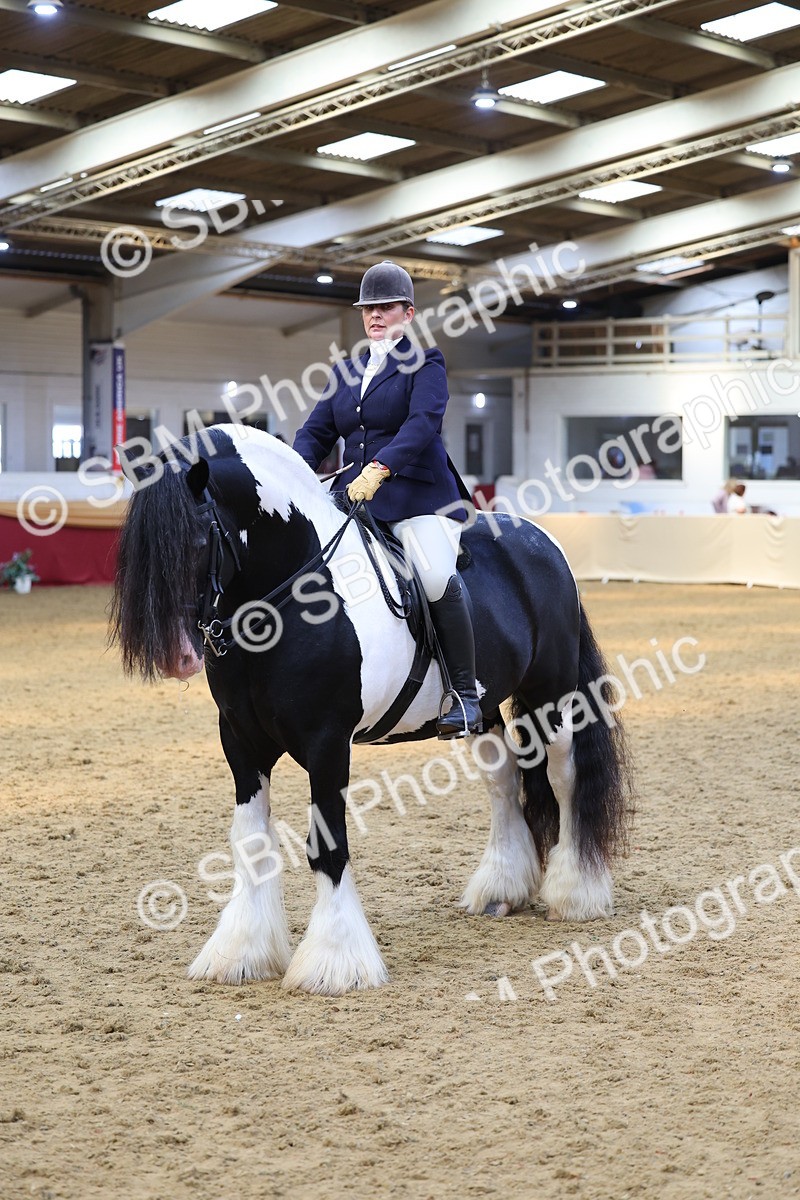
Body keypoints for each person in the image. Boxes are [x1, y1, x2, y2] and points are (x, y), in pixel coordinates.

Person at [292, 261, 481, 739]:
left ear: (408, 313)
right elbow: (316, 432)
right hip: (354, 494)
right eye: (368, 309)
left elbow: (423, 424)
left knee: (436, 575)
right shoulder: (345, 370)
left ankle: (464, 693)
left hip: (417, 495)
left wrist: (381, 467)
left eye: (385, 307)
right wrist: (289, 472)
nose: (375, 315)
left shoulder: (427, 362)